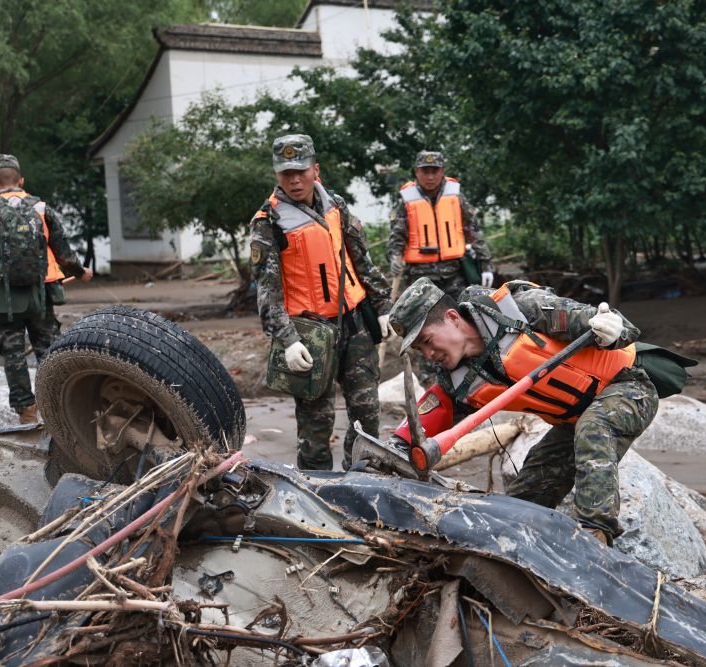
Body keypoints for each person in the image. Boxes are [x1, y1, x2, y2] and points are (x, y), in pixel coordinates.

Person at [386, 278, 659, 545]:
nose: (429, 354)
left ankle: (596, 539)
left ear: (452, 317)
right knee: (525, 494)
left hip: (629, 388)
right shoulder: (456, 379)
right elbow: (429, 415)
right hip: (573, 420)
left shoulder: (521, 308)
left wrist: (611, 332)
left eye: (427, 340)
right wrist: (396, 446)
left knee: (593, 427)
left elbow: (623, 328)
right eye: (420, 349)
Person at [250, 134, 393, 470]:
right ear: (277, 175)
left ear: (316, 169)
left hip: (355, 324)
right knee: (316, 427)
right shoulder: (267, 222)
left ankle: (363, 481)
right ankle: (318, 496)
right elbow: (267, 291)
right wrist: (286, 339)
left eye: (301, 171)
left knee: (367, 414)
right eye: (286, 174)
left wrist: (383, 305)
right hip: (310, 335)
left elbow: (361, 259)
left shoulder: (336, 206)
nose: (294, 179)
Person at [0, 154, 92, 423]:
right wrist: (82, 274)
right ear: (21, 180)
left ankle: (27, 414)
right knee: (48, 350)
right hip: (41, 293)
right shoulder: (41, 208)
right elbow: (64, 254)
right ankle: (61, 407)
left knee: (13, 355)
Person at [387, 150, 493, 382]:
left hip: (454, 272)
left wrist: (485, 263)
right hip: (420, 278)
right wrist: (395, 259)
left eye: (434, 171)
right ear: (417, 172)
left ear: (442, 171)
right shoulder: (406, 199)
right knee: (425, 331)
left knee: (463, 322)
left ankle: (476, 375)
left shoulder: (456, 196)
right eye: (425, 171)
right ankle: (433, 381)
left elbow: (473, 229)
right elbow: (396, 237)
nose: (430, 176)